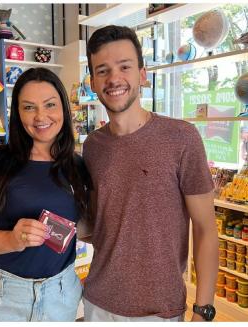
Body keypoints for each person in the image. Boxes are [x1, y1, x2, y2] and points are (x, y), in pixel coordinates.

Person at [82, 25, 219, 322]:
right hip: (97, 303)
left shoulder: (182, 137)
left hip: (159, 310)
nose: (114, 79)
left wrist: (203, 310)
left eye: (124, 67)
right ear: (92, 82)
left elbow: (206, 229)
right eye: (102, 70)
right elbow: (97, 225)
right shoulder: (92, 146)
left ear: (142, 75)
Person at [0, 67, 90, 322]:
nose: (40, 116)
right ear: (17, 113)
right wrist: (11, 240)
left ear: (63, 110)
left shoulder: (77, 166)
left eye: (50, 105)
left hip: (60, 295)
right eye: (28, 107)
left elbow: (84, 229)